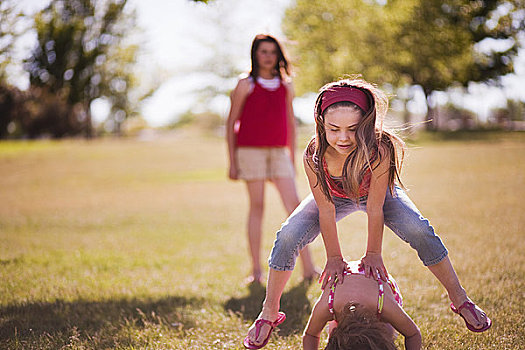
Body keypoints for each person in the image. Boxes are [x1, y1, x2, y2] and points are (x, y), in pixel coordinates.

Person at [243, 77, 491, 349]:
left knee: (420, 230)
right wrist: (334, 258)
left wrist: (373, 254)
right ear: (321, 124)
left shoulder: (380, 148)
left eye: (353, 129)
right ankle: (268, 312)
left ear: (366, 124)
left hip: (377, 195)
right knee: (287, 236)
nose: (343, 138)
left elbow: (375, 207)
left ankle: (460, 299)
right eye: (334, 129)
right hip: (334, 199)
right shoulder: (314, 154)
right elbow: (325, 208)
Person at [226, 34, 318, 285]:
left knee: (296, 207)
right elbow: (231, 122)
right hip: (249, 152)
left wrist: (292, 154)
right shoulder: (246, 83)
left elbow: (290, 122)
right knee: (257, 207)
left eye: (272, 51)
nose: (267, 56)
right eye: (263, 51)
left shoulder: (285, 85)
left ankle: (309, 268)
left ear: (278, 55)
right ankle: (256, 271)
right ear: (255, 54)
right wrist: (232, 161)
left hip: (279, 153)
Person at [303, 260, 421, 350]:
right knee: (331, 331)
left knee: (389, 333)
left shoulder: (384, 305)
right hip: (348, 283)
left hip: (379, 289)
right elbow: (310, 335)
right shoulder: (328, 305)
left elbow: (413, 334)